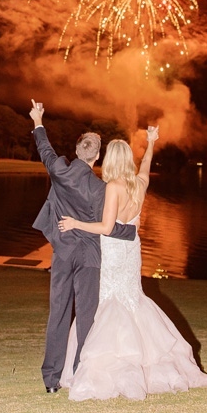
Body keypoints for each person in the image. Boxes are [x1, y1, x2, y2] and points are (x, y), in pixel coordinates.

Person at [57, 127, 207, 401]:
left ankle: (115, 365)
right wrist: (151, 142)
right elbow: (146, 165)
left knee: (109, 301)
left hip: (113, 252)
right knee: (133, 299)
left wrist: (75, 223)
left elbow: (107, 226)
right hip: (132, 252)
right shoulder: (139, 184)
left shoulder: (113, 187)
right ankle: (148, 361)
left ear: (110, 160)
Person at [29, 99, 137, 394]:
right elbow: (109, 226)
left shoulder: (60, 170)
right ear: (97, 156)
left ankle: (51, 380)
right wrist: (130, 232)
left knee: (58, 313)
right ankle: (80, 374)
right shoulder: (101, 188)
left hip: (63, 253)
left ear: (77, 152)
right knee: (87, 316)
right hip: (90, 256)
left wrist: (38, 119)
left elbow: (45, 149)